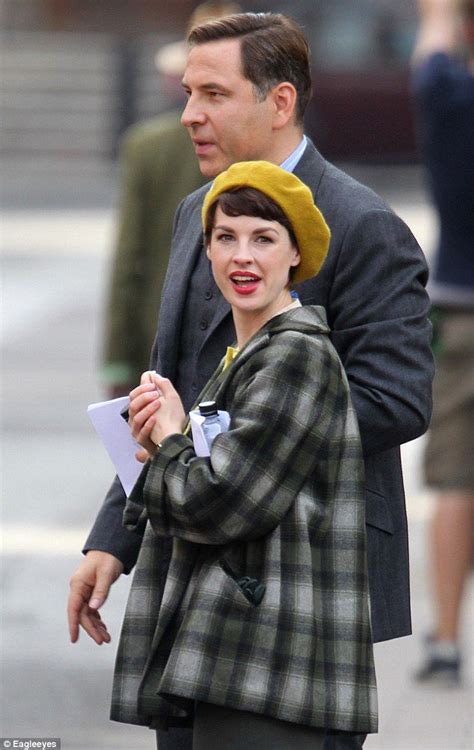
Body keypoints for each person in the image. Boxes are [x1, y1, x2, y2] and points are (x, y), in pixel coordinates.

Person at [68, 12, 434, 749]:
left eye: (211, 93)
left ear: (279, 102)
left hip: (303, 591)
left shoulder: (366, 225)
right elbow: (167, 389)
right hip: (189, 570)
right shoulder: (192, 214)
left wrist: (239, 444)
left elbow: (397, 397)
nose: (189, 114)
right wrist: (113, 538)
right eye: (186, 92)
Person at [110, 160, 378, 747]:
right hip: (242, 655)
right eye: (226, 238)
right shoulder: (246, 353)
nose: (242, 257)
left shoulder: (295, 355)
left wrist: (169, 441)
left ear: (295, 255)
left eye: (263, 239)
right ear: (206, 250)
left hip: (268, 661)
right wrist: (164, 440)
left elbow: (221, 501)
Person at [102, 2, 239, 397]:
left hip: (159, 336)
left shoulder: (146, 145)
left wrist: (119, 359)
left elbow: (129, 260)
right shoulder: (254, 143)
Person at [411, 0, 474, 686]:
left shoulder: (450, 97)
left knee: (456, 478)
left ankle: (448, 641)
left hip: (461, 313)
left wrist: (441, 13)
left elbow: (429, 48)